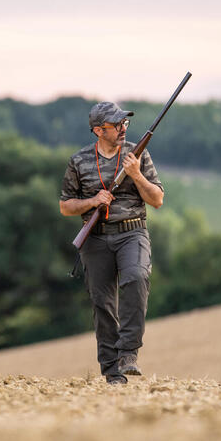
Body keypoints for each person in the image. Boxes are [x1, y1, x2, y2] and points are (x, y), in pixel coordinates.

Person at [59, 101, 164, 385]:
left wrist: (136, 175)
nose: (122, 128)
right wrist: (93, 201)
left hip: (132, 232)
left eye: (124, 123)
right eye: (116, 125)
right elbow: (65, 206)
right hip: (95, 238)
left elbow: (157, 200)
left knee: (136, 277)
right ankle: (112, 373)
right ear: (98, 130)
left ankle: (129, 353)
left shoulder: (138, 155)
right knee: (102, 304)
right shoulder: (79, 161)